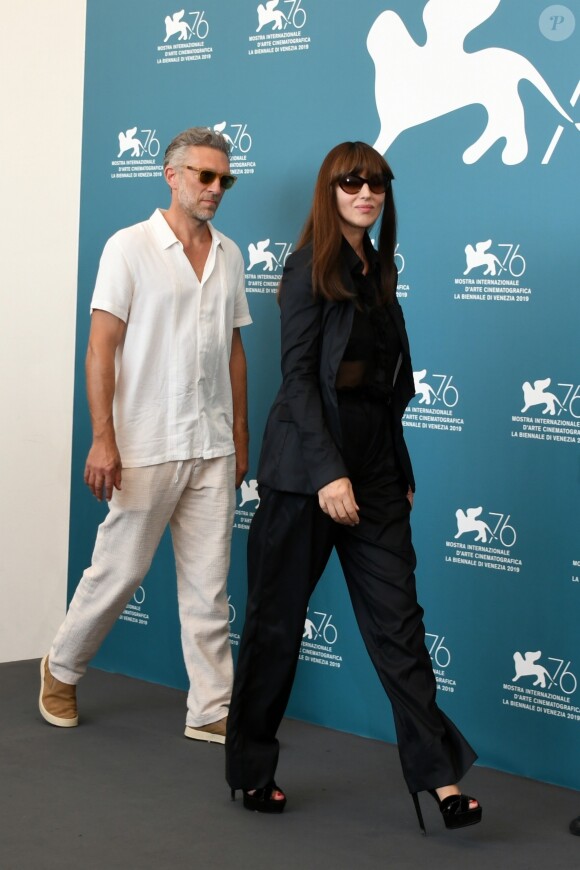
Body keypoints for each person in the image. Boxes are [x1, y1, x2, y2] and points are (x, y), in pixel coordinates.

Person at [225, 141, 482, 832]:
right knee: (275, 629)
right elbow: (300, 379)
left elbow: (386, 387)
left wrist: (395, 471)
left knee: (400, 624)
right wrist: (327, 473)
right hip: (305, 470)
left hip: (373, 469)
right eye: (351, 182)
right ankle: (251, 772)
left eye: (377, 183)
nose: (366, 193)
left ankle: (440, 779)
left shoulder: (379, 269)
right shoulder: (310, 267)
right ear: (330, 191)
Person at [39, 127, 252, 745]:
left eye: (224, 179)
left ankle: (211, 705)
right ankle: (63, 666)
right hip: (144, 442)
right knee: (119, 570)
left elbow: (234, 350)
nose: (215, 188)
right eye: (205, 176)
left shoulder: (230, 255)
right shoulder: (128, 248)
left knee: (209, 585)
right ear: (173, 174)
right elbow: (101, 349)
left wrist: (239, 432)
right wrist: (103, 438)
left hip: (212, 445)